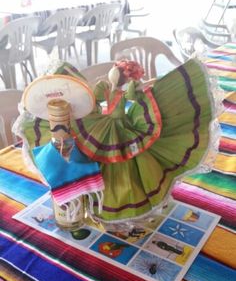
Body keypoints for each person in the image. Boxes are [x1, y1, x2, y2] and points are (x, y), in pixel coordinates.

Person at [14, 59, 217, 223]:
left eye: (122, 72)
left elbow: (134, 96)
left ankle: (116, 204)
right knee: (88, 153)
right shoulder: (104, 86)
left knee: (124, 165)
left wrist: (138, 92)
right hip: (102, 125)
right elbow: (90, 99)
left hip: (121, 127)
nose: (116, 75)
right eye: (117, 70)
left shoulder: (124, 91)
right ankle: (86, 194)